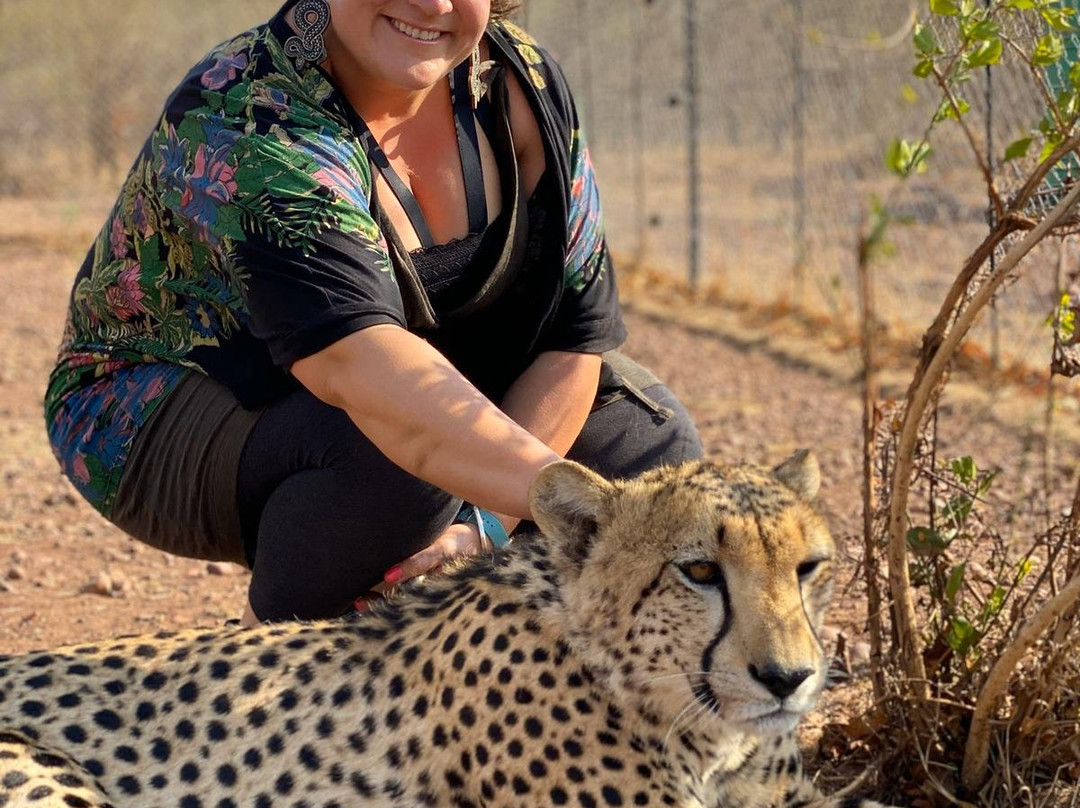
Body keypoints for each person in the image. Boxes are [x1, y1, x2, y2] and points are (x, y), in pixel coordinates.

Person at [45, 0, 703, 625]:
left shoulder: (526, 81)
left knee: (643, 441)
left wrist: (484, 526)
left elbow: (572, 339)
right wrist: (586, 512)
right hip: (155, 405)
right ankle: (266, 680)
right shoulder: (247, 110)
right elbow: (364, 371)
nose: (431, 3)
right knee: (399, 469)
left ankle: (529, 693)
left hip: (397, 392)